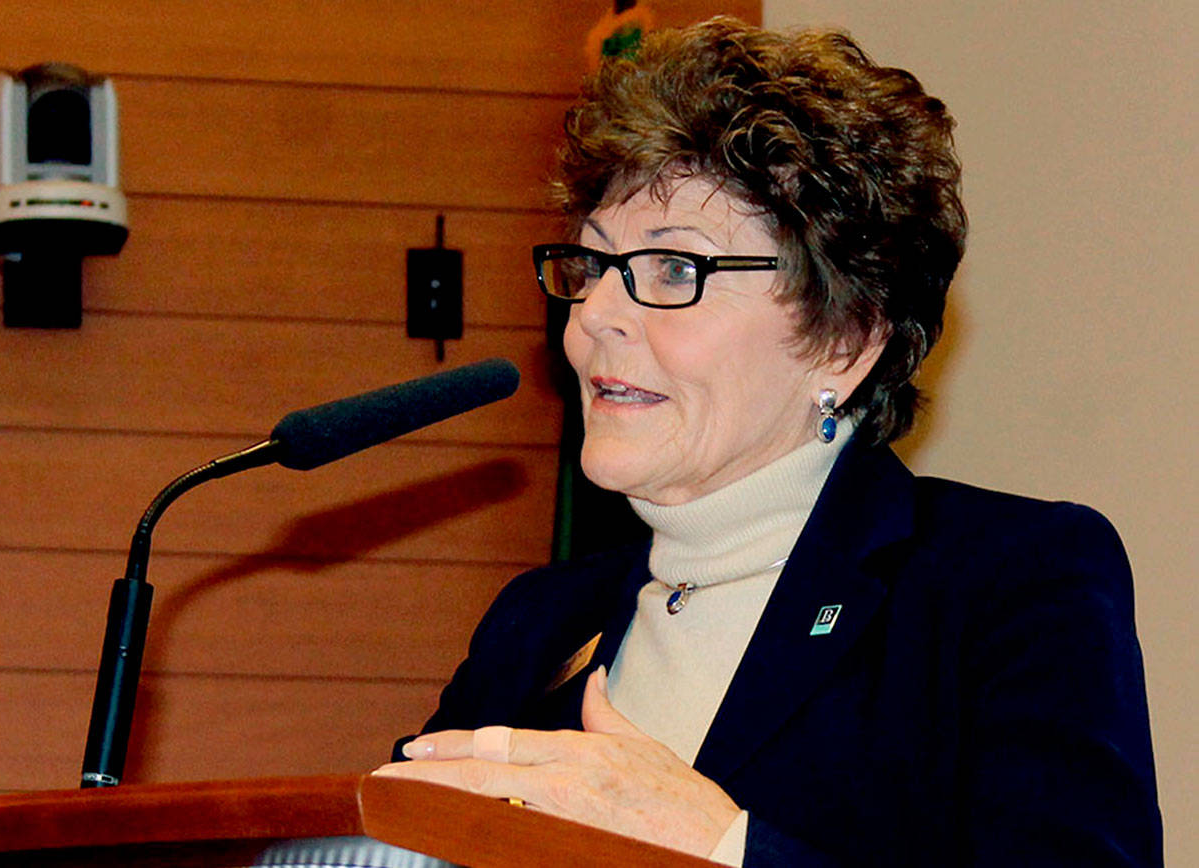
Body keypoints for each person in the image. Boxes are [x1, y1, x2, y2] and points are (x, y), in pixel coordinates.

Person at [374, 17, 1162, 867]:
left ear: (846, 336)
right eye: (592, 264)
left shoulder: (1006, 583)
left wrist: (720, 846)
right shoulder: (537, 623)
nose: (595, 316)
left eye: (675, 268)